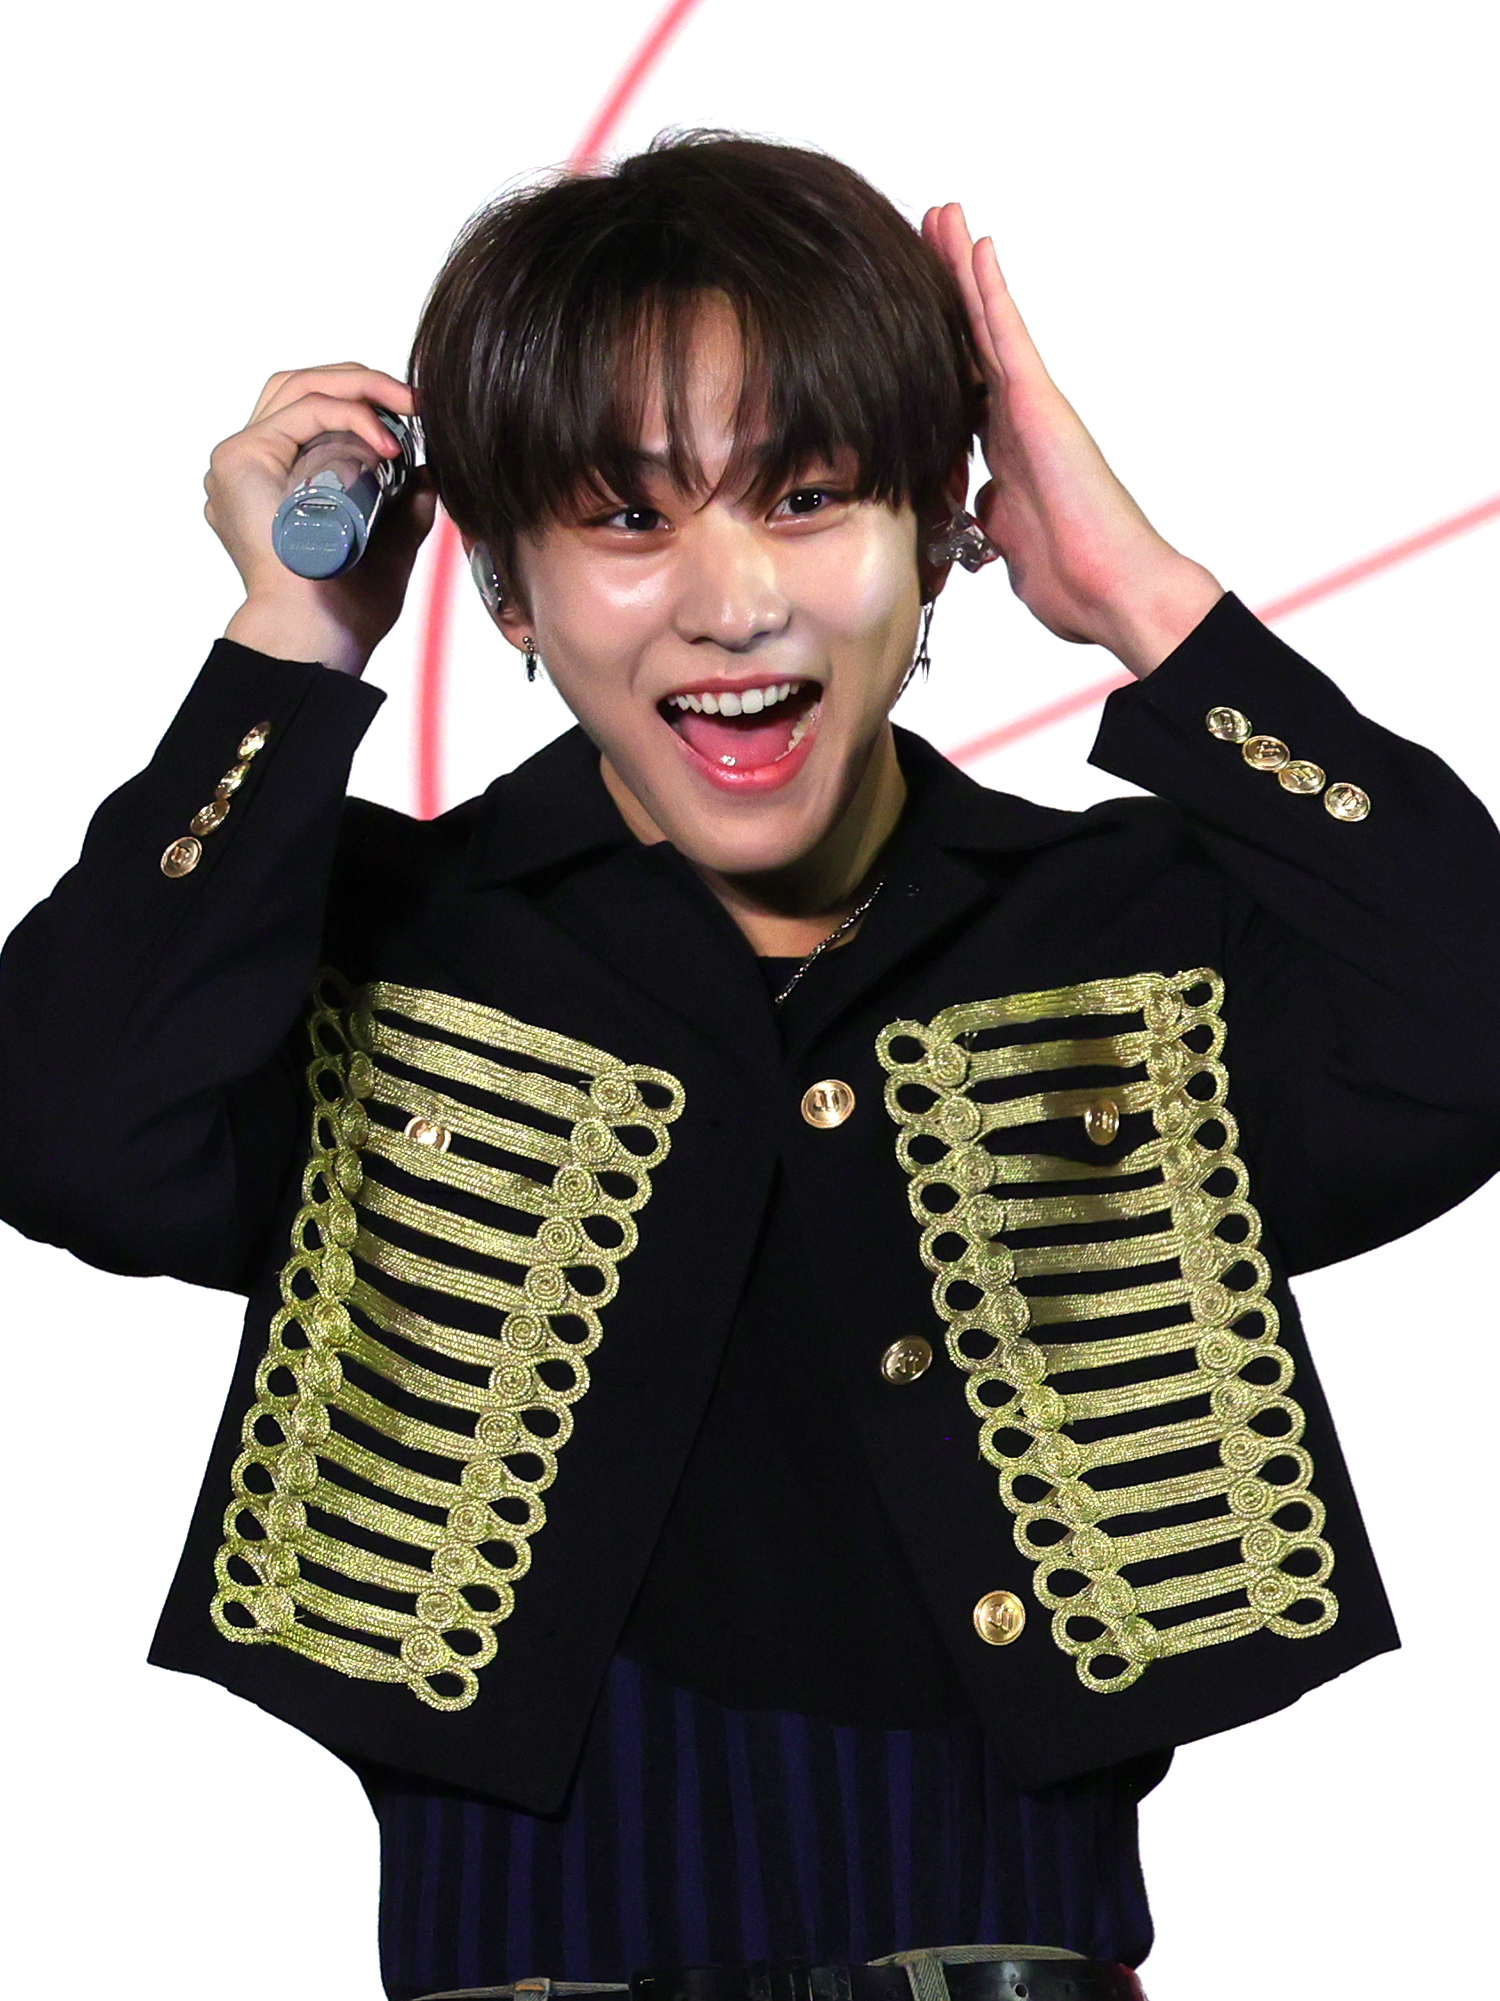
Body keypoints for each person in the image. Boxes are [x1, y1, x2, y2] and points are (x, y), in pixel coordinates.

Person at [3, 130, 1498, 2001]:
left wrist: (1145, 596)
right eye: (624, 520)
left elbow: (1467, 1021)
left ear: (939, 528)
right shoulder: (373, 947)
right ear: (509, 588)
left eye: (809, 497)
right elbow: (65, 1126)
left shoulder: (1124, 937)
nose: (732, 600)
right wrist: (294, 631)